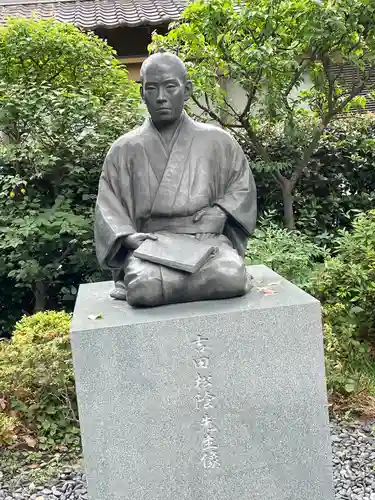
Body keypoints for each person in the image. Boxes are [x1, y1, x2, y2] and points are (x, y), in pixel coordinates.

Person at [94, 52, 257, 307]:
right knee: (143, 288)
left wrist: (222, 211)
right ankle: (140, 281)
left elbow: (241, 187)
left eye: (170, 86)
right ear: (142, 93)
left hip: (206, 243)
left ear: (187, 89)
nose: (161, 97)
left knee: (231, 276)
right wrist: (127, 238)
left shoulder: (219, 141)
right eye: (152, 88)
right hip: (152, 245)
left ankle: (165, 284)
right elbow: (108, 205)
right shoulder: (123, 149)